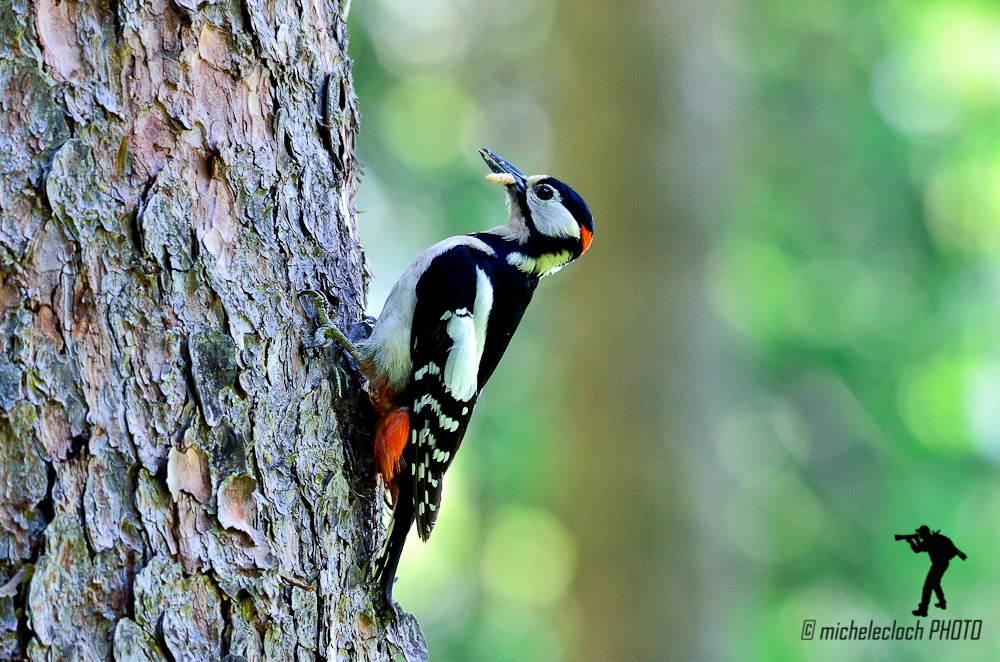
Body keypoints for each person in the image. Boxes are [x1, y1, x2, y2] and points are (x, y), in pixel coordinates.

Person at [905, 525, 967, 617]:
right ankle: (942, 602)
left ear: (924, 533)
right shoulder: (933, 539)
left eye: (920, 533)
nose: (919, 534)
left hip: (938, 565)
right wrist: (914, 540)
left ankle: (923, 609)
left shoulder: (929, 540)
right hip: (942, 564)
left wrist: (911, 541)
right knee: (935, 583)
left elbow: (918, 549)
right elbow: (921, 547)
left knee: (927, 587)